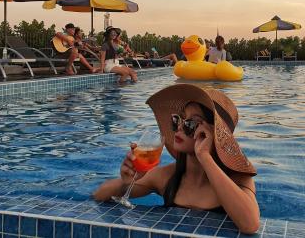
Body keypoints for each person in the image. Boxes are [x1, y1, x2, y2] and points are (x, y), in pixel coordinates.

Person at [93, 84, 260, 234]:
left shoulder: (238, 179)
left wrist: (205, 157)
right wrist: (126, 182)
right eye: (178, 119)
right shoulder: (166, 176)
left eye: (191, 123)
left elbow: (250, 224)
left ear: (213, 135)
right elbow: (100, 194)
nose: (179, 126)